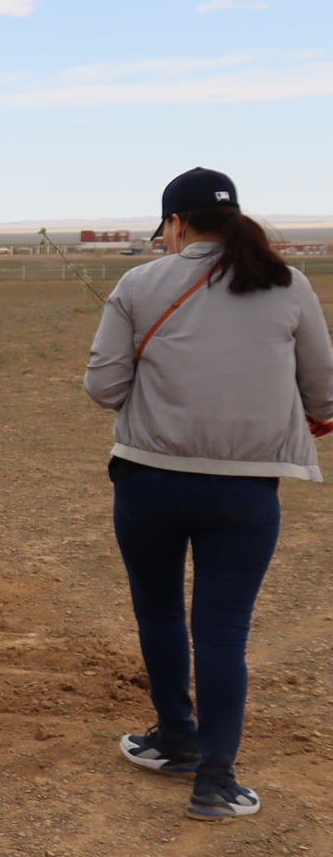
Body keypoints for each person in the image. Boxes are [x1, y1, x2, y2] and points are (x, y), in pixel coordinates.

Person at [84, 167, 333, 821]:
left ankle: (176, 740)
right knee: (222, 634)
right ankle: (216, 783)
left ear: (176, 223)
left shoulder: (139, 284)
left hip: (148, 481)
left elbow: (103, 388)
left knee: (160, 612)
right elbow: (324, 390)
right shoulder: (289, 284)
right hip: (246, 494)